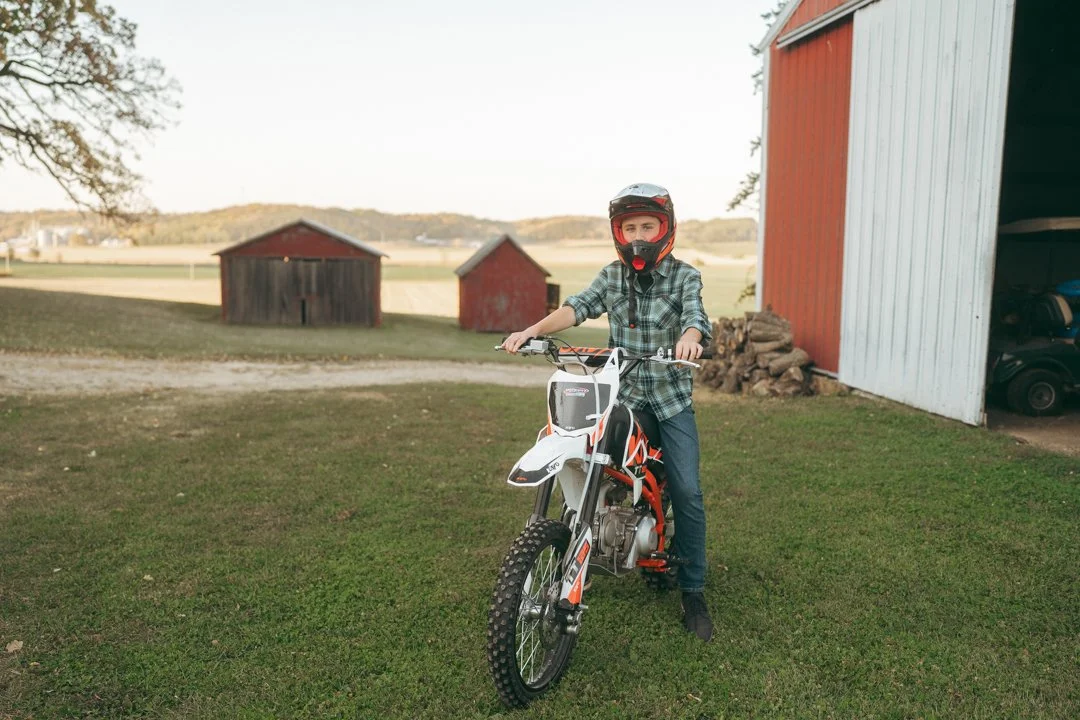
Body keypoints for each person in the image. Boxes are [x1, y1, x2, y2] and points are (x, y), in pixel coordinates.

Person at [501, 182, 714, 642]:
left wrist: (691, 339)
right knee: (590, 458)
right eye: (630, 226)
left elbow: (697, 317)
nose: (638, 234)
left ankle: (693, 588)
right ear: (619, 232)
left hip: (671, 399)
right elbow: (577, 307)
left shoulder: (684, 277)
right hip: (623, 396)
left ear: (665, 229)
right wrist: (532, 329)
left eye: (647, 225)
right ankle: (583, 546)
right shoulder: (612, 277)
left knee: (687, 490)